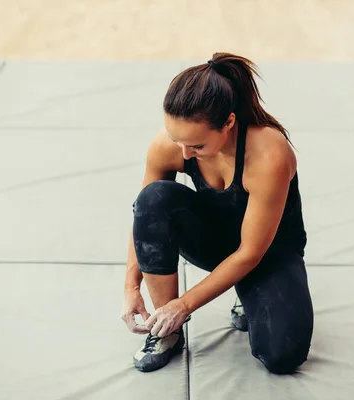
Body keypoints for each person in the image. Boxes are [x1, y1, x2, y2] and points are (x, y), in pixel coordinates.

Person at [121, 52, 314, 375]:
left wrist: (184, 305)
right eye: (176, 139)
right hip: (214, 242)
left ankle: (247, 295)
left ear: (229, 123)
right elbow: (145, 215)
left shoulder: (269, 154)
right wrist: (131, 287)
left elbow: (251, 252)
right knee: (153, 197)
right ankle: (165, 331)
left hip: (267, 253)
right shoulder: (171, 146)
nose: (184, 153)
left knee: (282, 356)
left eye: (196, 146)